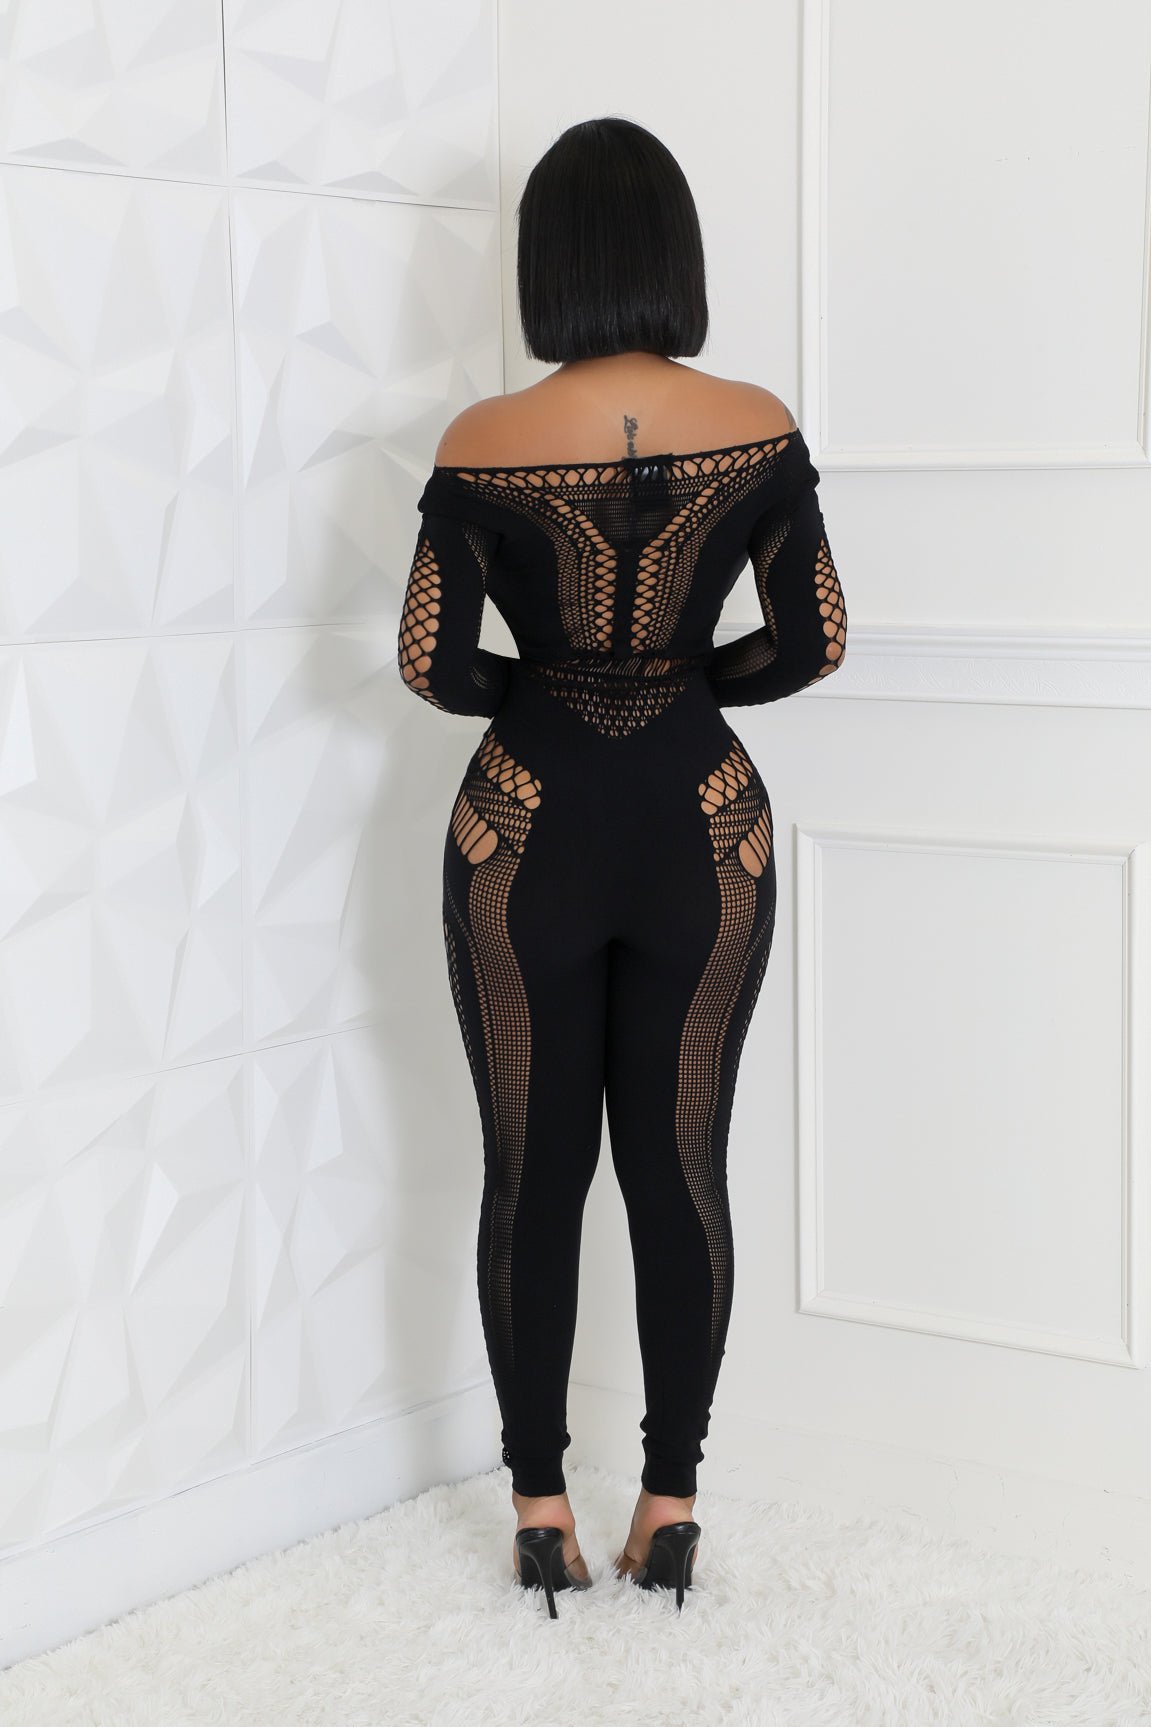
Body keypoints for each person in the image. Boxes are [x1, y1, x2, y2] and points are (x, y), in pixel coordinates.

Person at [397, 115, 846, 1617]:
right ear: (673, 255)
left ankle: (540, 1508)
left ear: (551, 265)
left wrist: (539, 695)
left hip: (521, 823)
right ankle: (671, 1504)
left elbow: (430, 662)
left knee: (530, 1168)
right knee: (682, 1163)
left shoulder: (480, 439)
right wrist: (687, 683)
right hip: (702, 821)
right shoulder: (757, 421)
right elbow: (815, 642)